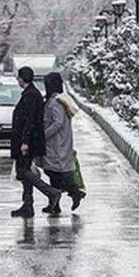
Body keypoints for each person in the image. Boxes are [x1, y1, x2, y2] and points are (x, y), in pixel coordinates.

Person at [10, 67, 61, 218]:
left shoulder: (31, 95)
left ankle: (51, 192)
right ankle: (27, 205)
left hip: (28, 141)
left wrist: (25, 142)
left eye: (18, 78)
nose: (17, 81)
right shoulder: (31, 93)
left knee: (22, 171)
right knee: (25, 170)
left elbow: (29, 120)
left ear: (22, 79)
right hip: (28, 139)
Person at [42, 72, 86, 213]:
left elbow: (58, 122)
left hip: (56, 143)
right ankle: (56, 205)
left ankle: (74, 192)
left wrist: (45, 135)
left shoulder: (55, 101)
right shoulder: (61, 99)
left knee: (53, 172)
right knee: (54, 172)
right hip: (59, 142)